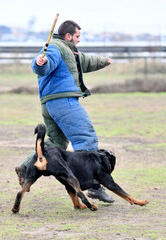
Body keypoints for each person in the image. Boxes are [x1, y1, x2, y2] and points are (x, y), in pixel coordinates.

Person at [15, 20, 114, 203]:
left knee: (55, 143)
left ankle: (26, 166)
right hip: (63, 101)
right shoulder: (55, 47)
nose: (79, 40)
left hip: (50, 104)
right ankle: (93, 186)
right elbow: (43, 64)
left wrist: (104, 61)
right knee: (86, 138)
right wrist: (40, 63)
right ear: (68, 36)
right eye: (77, 37)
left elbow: (85, 60)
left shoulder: (70, 51)